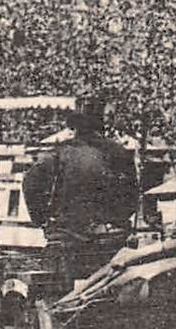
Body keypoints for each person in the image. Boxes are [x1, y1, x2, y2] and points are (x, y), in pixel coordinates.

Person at [22, 103, 138, 281]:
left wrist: (41, 218)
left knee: (60, 294)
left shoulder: (59, 153)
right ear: (102, 126)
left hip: (67, 237)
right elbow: (132, 198)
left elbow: (30, 183)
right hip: (109, 241)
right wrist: (116, 219)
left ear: (74, 127)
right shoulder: (120, 154)